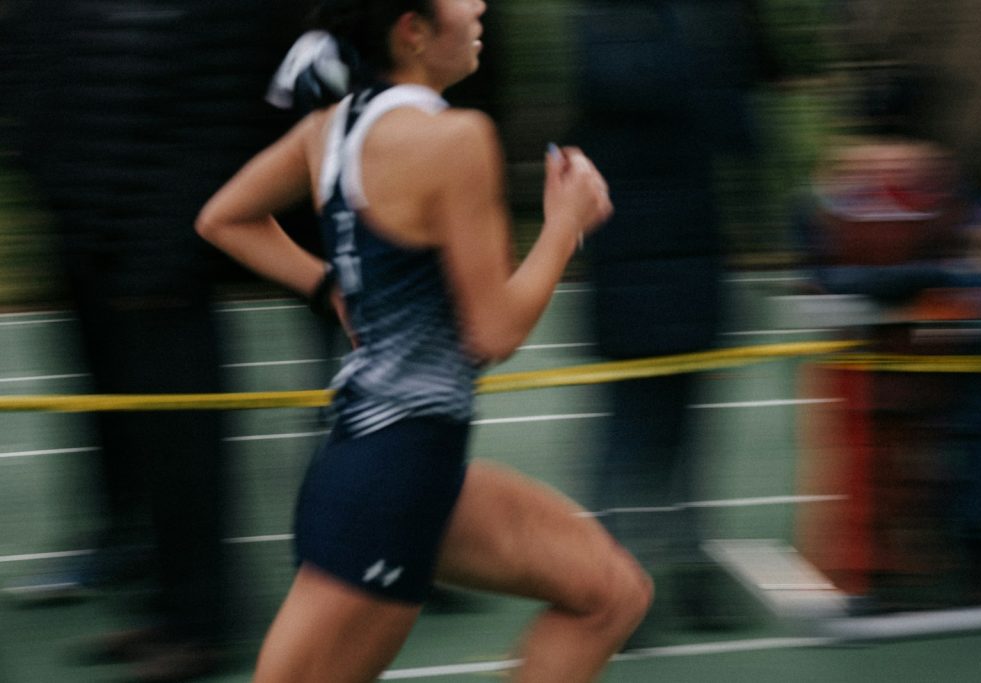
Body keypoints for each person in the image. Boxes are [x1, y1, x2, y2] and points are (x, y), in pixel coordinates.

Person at [195, 1, 652, 681]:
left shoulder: (332, 126)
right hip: (386, 488)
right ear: (412, 30)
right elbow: (493, 331)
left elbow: (224, 218)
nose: (478, 5)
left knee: (609, 595)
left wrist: (330, 289)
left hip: (405, 468)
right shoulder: (454, 139)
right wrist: (565, 225)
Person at [1, 1, 305, 679]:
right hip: (95, 244)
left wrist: (171, 247)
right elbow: (37, 72)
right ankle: (167, 609)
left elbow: (231, 116)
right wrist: (62, 195)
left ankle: (204, 626)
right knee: (143, 451)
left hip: (166, 260)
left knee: (187, 458)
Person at [567, 0, 767, 638]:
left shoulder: (593, 32)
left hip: (624, 262)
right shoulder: (700, 34)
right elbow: (742, 135)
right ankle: (681, 577)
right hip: (688, 256)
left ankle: (609, 584)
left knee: (628, 435)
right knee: (679, 438)